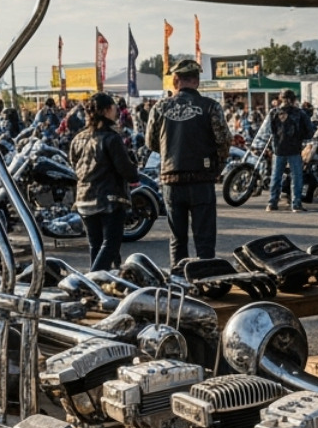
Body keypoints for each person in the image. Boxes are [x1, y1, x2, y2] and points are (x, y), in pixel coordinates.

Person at [147, 59, 231, 265]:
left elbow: (151, 142)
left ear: (175, 80)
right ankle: (206, 280)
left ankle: (178, 282)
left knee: (177, 238)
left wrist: (171, 151)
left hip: (171, 178)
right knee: (205, 240)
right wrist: (216, 167)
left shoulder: (160, 107)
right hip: (202, 179)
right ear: (197, 81)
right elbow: (224, 141)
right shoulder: (210, 106)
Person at [70, 92, 139, 271]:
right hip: (108, 200)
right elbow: (129, 172)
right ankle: (93, 281)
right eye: (114, 106)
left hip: (83, 199)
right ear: (107, 110)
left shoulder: (79, 138)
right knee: (110, 244)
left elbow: (74, 165)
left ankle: (100, 284)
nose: (116, 110)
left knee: (96, 244)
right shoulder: (111, 138)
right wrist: (133, 163)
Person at [266, 88, 314, 213]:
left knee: (276, 177)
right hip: (294, 149)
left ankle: (272, 203)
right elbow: (310, 131)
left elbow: (269, 131)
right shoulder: (300, 113)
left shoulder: (273, 112)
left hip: (279, 149)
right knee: (297, 177)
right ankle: (296, 204)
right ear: (293, 99)